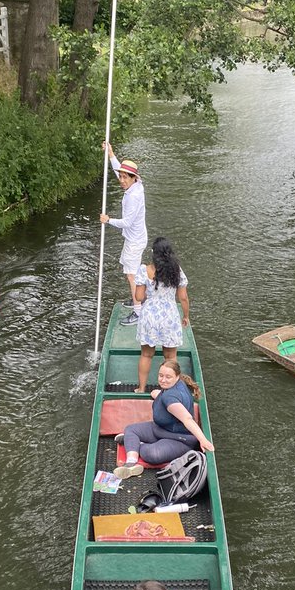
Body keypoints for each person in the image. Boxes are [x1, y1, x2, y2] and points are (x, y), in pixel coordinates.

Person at [115, 359, 214, 478]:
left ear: (177, 377)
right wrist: (158, 394)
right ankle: (131, 462)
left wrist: (203, 440)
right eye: (160, 375)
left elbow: (187, 419)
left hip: (180, 440)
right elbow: (166, 396)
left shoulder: (170, 398)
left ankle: (137, 444)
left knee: (152, 454)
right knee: (130, 429)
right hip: (160, 429)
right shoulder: (176, 386)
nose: (163, 380)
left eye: (168, 377)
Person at [134, 237, 190, 393]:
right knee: (171, 357)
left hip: (149, 317)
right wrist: (185, 316)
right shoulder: (176, 270)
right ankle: (171, 391)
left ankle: (142, 388)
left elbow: (138, 297)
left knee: (146, 354)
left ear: (153, 253)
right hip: (170, 316)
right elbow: (183, 297)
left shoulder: (144, 270)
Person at [99, 141, 147, 327]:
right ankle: (138, 299)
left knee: (131, 276)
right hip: (135, 238)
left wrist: (107, 220)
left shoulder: (133, 196)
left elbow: (126, 222)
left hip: (135, 240)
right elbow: (120, 169)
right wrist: (111, 154)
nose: (122, 180)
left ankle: (138, 312)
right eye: (121, 177)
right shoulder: (135, 185)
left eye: (126, 177)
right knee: (132, 273)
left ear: (134, 178)